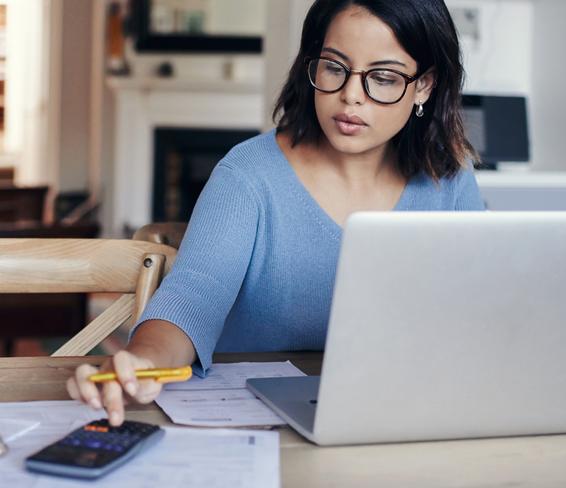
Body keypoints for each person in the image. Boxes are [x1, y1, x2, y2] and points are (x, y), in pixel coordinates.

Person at [67, 0, 485, 426]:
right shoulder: (247, 175)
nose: (351, 96)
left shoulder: (448, 177)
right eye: (334, 68)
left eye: (383, 77)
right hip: (253, 426)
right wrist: (141, 361)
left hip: (396, 416)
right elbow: (191, 298)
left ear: (425, 86)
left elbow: (480, 309)